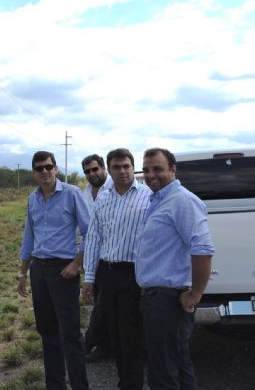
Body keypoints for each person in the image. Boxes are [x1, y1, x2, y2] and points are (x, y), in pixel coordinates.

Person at [136, 147, 215, 390]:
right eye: (147, 170)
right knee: (178, 366)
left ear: (173, 169)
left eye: (158, 169)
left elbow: (202, 249)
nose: (151, 175)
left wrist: (196, 294)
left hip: (167, 301)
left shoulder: (182, 201)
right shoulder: (158, 200)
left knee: (163, 371)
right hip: (158, 299)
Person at [17, 151, 91, 390]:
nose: (45, 171)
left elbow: (89, 232)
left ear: (56, 169)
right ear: (34, 173)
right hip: (39, 271)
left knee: (69, 334)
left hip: (64, 271)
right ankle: (55, 385)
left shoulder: (72, 194)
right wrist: (23, 273)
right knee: (47, 331)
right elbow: (29, 237)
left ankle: (80, 385)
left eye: (49, 167)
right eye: (39, 168)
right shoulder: (32, 199)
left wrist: (76, 264)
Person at [83, 148, 151, 390]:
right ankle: (124, 381)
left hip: (134, 275)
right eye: (117, 167)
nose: (122, 171)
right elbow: (93, 238)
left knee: (131, 335)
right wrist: (89, 277)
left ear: (133, 168)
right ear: (109, 170)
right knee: (113, 334)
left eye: (126, 166)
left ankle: (131, 385)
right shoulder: (103, 197)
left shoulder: (148, 197)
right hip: (107, 273)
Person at [80, 154, 114, 362]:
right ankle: (104, 345)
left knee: (103, 304)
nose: (92, 174)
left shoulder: (113, 189)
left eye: (95, 169)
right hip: (91, 257)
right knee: (101, 304)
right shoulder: (85, 194)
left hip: (112, 259)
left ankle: (88, 342)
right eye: (87, 171)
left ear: (104, 169)